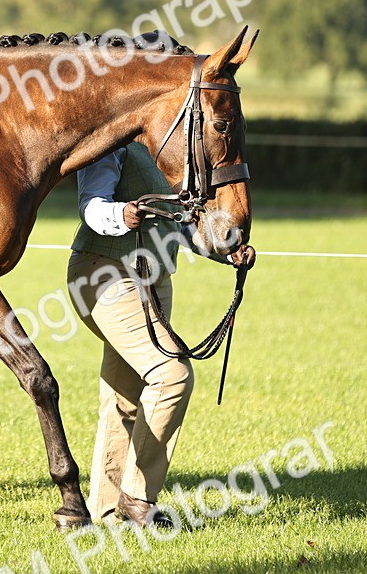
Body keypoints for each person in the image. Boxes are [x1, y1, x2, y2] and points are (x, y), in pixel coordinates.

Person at [66, 140, 255, 527]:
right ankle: (137, 498)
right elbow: (91, 205)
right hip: (104, 272)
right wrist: (122, 213)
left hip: (153, 279)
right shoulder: (110, 143)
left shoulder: (171, 149)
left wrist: (229, 247)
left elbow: (183, 225)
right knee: (172, 376)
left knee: (125, 397)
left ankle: (103, 511)